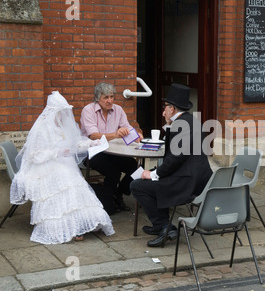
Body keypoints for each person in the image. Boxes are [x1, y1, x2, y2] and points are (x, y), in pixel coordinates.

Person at [9, 91, 115, 244]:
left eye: (64, 112)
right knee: (65, 178)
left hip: (60, 163)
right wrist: (57, 152)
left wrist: (90, 143)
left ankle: (80, 222)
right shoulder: (41, 129)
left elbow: (74, 144)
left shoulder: (63, 126)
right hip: (42, 167)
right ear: (53, 112)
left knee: (73, 178)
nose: (63, 116)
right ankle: (68, 226)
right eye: (60, 112)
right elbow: (34, 154)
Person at [130, 83, 212, 247]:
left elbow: (176, 159)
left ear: (172, 109)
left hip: (186, 183)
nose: (163, 111)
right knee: (151, 182)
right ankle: (160, 224)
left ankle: (164, 226)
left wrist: (153, 174)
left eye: (165, 107)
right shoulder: (191, 121)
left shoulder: (179, 125)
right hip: (198, 178)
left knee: (137, 185)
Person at [80, 82, 143, 215]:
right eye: (106, 97)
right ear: (98, 98)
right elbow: (93, 135)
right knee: (113, 172)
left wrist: (136, 134)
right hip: (93, 151)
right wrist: (115, 134)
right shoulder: (88, 110)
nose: (110, 101)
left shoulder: (118, 110)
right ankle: (108, 203)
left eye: (112, 97)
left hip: (113, 151)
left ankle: (118, 194)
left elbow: (127, 127)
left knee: (136, 168)